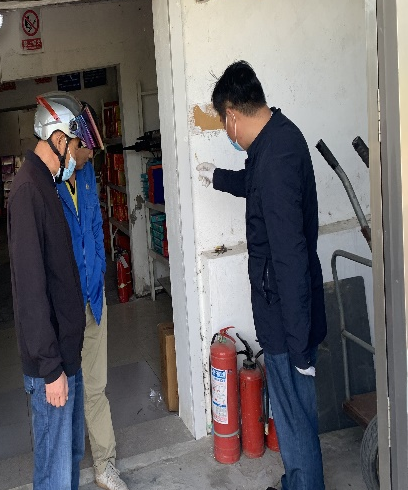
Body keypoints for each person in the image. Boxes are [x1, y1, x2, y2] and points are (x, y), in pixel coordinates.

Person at [196, 61, 327, 490]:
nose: (226, 130)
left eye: (222, 122)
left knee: (293, 417)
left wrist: (299, 344)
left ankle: (305, 485)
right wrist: (217, 177)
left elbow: (290, 257)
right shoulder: (276, 141)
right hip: (283, 310)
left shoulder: (275, 157)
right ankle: (297, 481)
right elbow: (253, 184)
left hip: (287, 320)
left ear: (233, 115)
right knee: (292, 415)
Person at [8, 91, 101, 490]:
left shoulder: (45, 184)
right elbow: (31, 291)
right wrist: (50, 370)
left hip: (66, 357)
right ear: (59, 139)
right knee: (55, 475)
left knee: (70, 460)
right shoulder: (28, 191)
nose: (78, 155)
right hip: (53, 367)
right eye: (75, 144)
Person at [56, 103, 129, 490]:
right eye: (85, 151)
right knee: (62, 393)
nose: (88, 159)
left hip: (94, 300)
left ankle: (105, 465)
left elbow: (97, 224)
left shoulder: (85, 177)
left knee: (96, 387)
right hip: (64, 309)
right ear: (70, 144)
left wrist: (99, 269)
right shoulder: (46, 186)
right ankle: (61, 472)